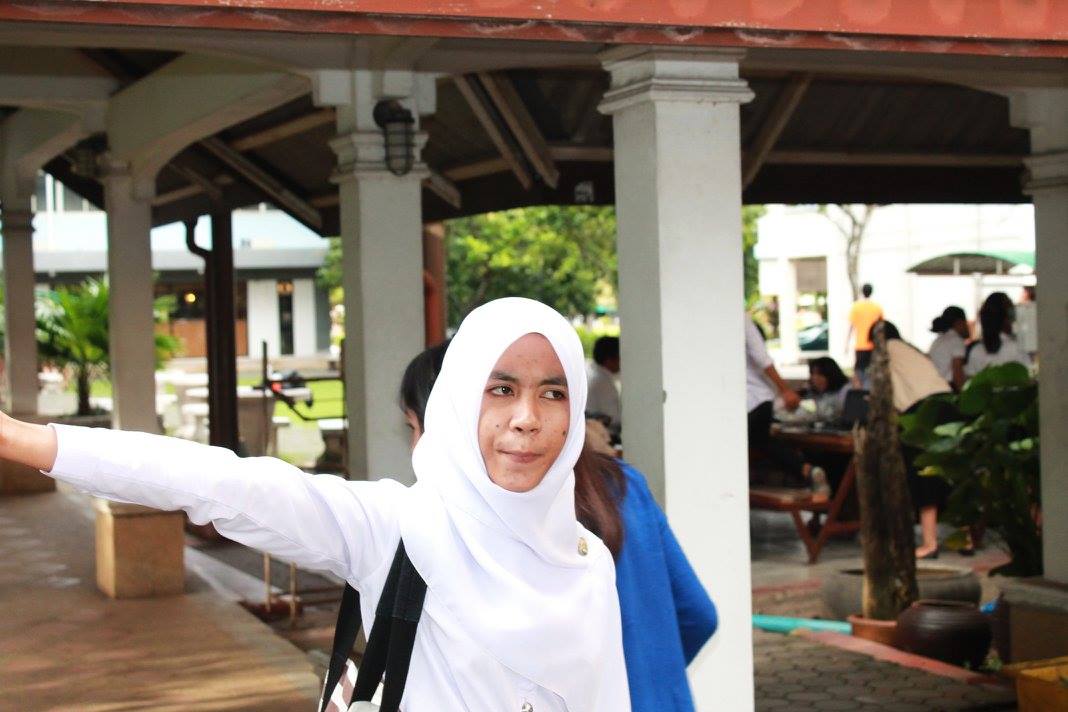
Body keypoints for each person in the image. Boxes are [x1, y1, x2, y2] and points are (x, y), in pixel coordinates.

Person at [0, 298, 632, 711]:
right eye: (501, 389)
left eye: (553, 393)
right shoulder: (396, 529)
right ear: (459, 401)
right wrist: (25, 441)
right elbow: (217, 482)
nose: (527, 419)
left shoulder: (586, 563)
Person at [399, 341, 718, 712]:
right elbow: (699, 615)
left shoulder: (485, 528)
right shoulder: (626, 485)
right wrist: (651, 678)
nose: (415, 447)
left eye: (416, 428)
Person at [871, 320, 953, 559]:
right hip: (948, 403)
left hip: (922, 411)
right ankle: (967, 539)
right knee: (951, 471)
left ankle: (929, 543)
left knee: (923, 474)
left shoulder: (885, 352)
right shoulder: (909, 350)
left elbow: (884, 396)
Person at [746, 317, 830, 499]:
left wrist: (785, 390)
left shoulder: (741, 320)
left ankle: (804, 471)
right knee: (764, 442)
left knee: (757, 442)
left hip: (751, 401)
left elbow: (762, 358)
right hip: (758, 401)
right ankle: (806, 469)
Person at [964, 291, 1031, 378]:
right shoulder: (1016, 347)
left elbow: (970, 380)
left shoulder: (976, 350)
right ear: (1006, 319)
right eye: (1012, 314)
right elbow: (1030, 375)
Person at [847, 283, 883, 384]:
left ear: (862, 292)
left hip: (860, 344)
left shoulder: (856, 307)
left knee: (859, 370)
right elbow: (882, 326)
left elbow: (851, 326)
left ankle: (860, 387)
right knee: (872, 369)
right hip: (873, 344)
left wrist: (847, 343)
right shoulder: (877, 308)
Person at [586, 335, 622, 436]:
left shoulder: (596, 375)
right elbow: (614, 417)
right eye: (620, 357)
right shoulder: (601, 382)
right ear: (609, 360)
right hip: (605, 436)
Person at [927, 306, 969, 390]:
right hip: (947, 388)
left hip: (933, 387)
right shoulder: (956, 341)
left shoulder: (938, 340)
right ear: (959, 322)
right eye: (965, 323)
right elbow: (957, 374)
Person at [807, 356, 851, 422]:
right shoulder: (813, 393)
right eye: (812, 374)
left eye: (819, 374)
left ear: (831, 374)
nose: (815, 378)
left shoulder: (845, 391)